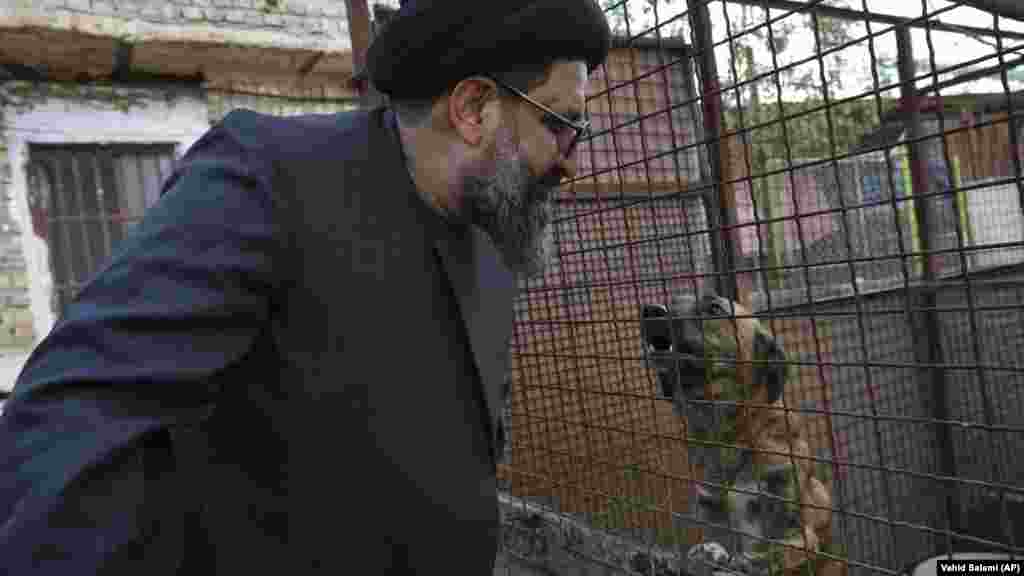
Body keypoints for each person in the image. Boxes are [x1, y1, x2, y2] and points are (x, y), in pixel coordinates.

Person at [0, 0, 611, 573]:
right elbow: (75, 417)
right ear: (473, 107)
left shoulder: (489, 230)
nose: (569, 159)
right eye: (562, 124)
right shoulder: (268, 177)